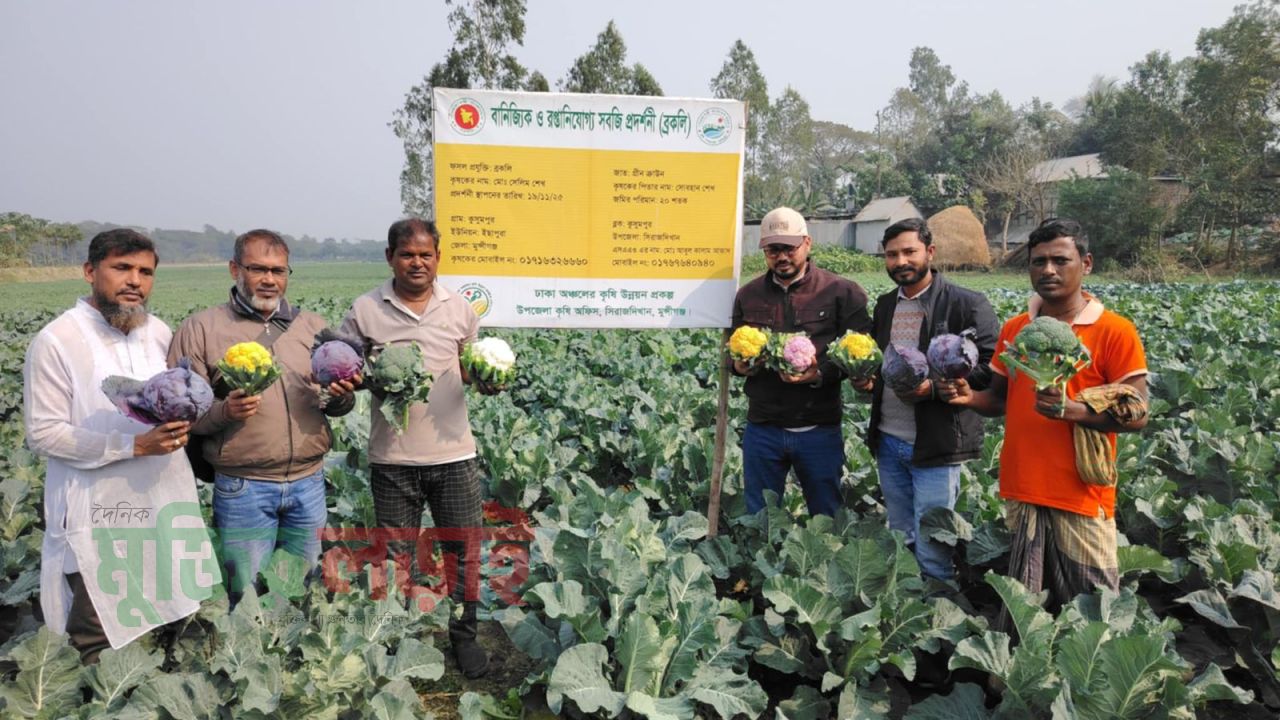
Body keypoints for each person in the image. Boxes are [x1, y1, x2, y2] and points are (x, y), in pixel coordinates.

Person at [24, 229, 219, 662]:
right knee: (99, 630)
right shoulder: (57, 341)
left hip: (165, 500)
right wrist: (134, 446)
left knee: (172, 613)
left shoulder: (158, 332)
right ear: (90, 271)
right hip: (99, 512)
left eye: (145, 272)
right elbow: (43, 432)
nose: (135, 280)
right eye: (122, 268)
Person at [941, 218, 1149, 611]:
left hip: (1082, 494)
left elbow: (1138, 415)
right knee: (1028, 612)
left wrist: (1074, 411)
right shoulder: (1017, 329)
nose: (1048, 270)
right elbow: (998, 400)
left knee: (1094, 612)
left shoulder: (1114, 331)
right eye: (1038, 262)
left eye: (1060, 260)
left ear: (1086, 263)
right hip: (1023, 490)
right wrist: (970, 397)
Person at [338, 218, 502, 679]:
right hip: (392, 458)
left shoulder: (459, 309)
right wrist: (360, 381)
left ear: (438, 258)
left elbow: (468, 368)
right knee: (395, 557)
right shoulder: (364, 310)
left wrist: (486, 380)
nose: (417, 262)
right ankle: (398, 637)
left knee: (463, 552)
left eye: (425, 254)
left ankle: (464, 636)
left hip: (453, 455)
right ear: (390, 257)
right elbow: (345, 369)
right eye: (407, 254)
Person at [168, 229, 356, 604]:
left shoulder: (313, 326)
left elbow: (337, 404)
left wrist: (340, 398)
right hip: (244, 487)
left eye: (278, 270)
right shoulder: (201, 329)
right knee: (247, 594)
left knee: (305, 588)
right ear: (235, 269)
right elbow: (181, 414)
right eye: (258, 269)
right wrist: (225, 412)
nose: (269, 279)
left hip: (308, 482)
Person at [856, 218, 998, 582]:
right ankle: (906, 599)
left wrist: (934, 388)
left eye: (909, 252)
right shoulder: (885, 305)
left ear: (930, 252)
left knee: (934, 540)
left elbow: (990, 367)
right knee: (901, 532)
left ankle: (938, 601)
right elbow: (886, 363)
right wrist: (868, 380)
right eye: (892, 255)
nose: (900, 261)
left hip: (937, 441)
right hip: (889, 439)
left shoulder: (967, 304)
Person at [731, 206, 872, 516]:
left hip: (819, 427)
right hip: (763, 427)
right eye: (773, 250)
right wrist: (738, 366)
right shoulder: (747, 295)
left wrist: (819, 374)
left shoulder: (841, 292)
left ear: (807, 243)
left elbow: (860, 353)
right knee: (761, 515)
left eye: (789, 248)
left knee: (826, 513)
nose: (781, 257)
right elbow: (731, 350)